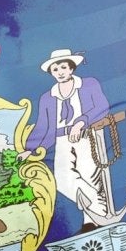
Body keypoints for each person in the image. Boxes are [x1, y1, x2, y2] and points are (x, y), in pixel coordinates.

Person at [29, 49, 110, 227]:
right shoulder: (48, 97)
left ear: (71, 68)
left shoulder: (88, 84)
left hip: (87, 134)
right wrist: (28, 150)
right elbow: (43, 126)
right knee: (63, 180)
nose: (60, 72)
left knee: (89, 175)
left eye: (63, 67)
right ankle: (100, 213)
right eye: (55, 69)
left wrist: (81, 122)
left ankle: (91, 221)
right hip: (62, 140)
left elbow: (102, 106)